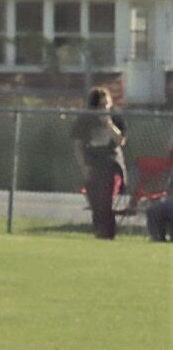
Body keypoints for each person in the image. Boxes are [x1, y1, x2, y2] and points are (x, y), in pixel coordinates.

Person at [70, 87, 126, 240]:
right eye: (100, 105)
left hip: (111, 164)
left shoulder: (115, 118)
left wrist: (108, 124)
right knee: (95, 203)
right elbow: (78, 146)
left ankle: (108, 234)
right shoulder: (84, 120)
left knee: (105, 201)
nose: (104, 108)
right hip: (92, 165)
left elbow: (120, 141)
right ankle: (99, 233)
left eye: (106, 104)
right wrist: (83, 167)